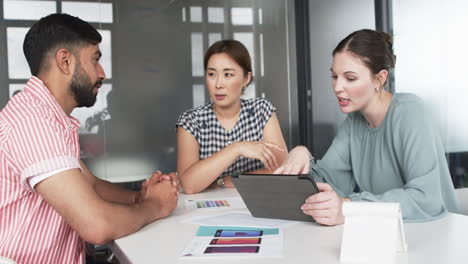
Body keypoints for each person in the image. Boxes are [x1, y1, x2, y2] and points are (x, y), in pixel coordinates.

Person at [0, 14, 178, 263]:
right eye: (95, 60)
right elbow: (97, 226)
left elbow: (89, 183)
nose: (102, 73)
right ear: (65, 61)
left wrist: (139, 196)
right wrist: (155, 207)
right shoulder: (33, 122)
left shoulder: (47, 115)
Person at [275, 29, 459, 226]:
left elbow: (425, 199)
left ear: (379, 79)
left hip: (437, 234)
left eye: (350, 78)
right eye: (334, 76)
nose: (337, 87)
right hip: (388, 235)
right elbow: (330, 183)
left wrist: (348, 207)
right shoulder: (354, 121)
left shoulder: (410, 112)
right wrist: (302, 155)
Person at [176, 40, 287, 194]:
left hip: (257, 205)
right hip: (207, 213)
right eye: (212, 74)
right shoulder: (191, 121)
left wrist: (232, 179)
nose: (218, 84)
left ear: (246, 79)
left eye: (228, 74)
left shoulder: (261, 111)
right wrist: (236, 148)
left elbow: (284, 171)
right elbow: (189, 184)